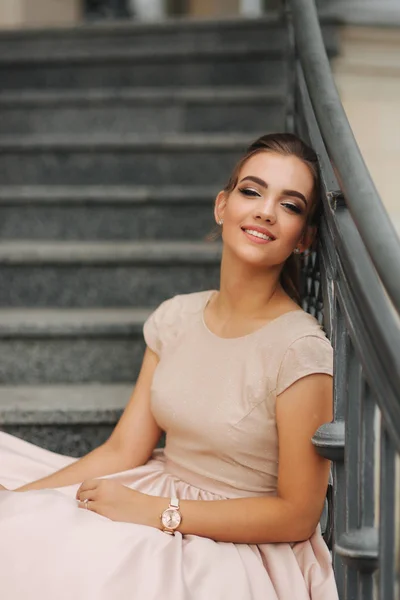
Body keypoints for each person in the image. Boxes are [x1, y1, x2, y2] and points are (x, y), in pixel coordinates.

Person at [0, 133, 338, 600]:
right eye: (252, 191)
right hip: (150, 490)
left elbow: (298, 515)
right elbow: (123, 450)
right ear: (222, 206)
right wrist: (23, 498)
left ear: (304, 238)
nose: (265, 211)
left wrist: (159, 511)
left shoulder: (301, 349)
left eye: (291, 204)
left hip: (232, 541)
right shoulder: (175, 317)